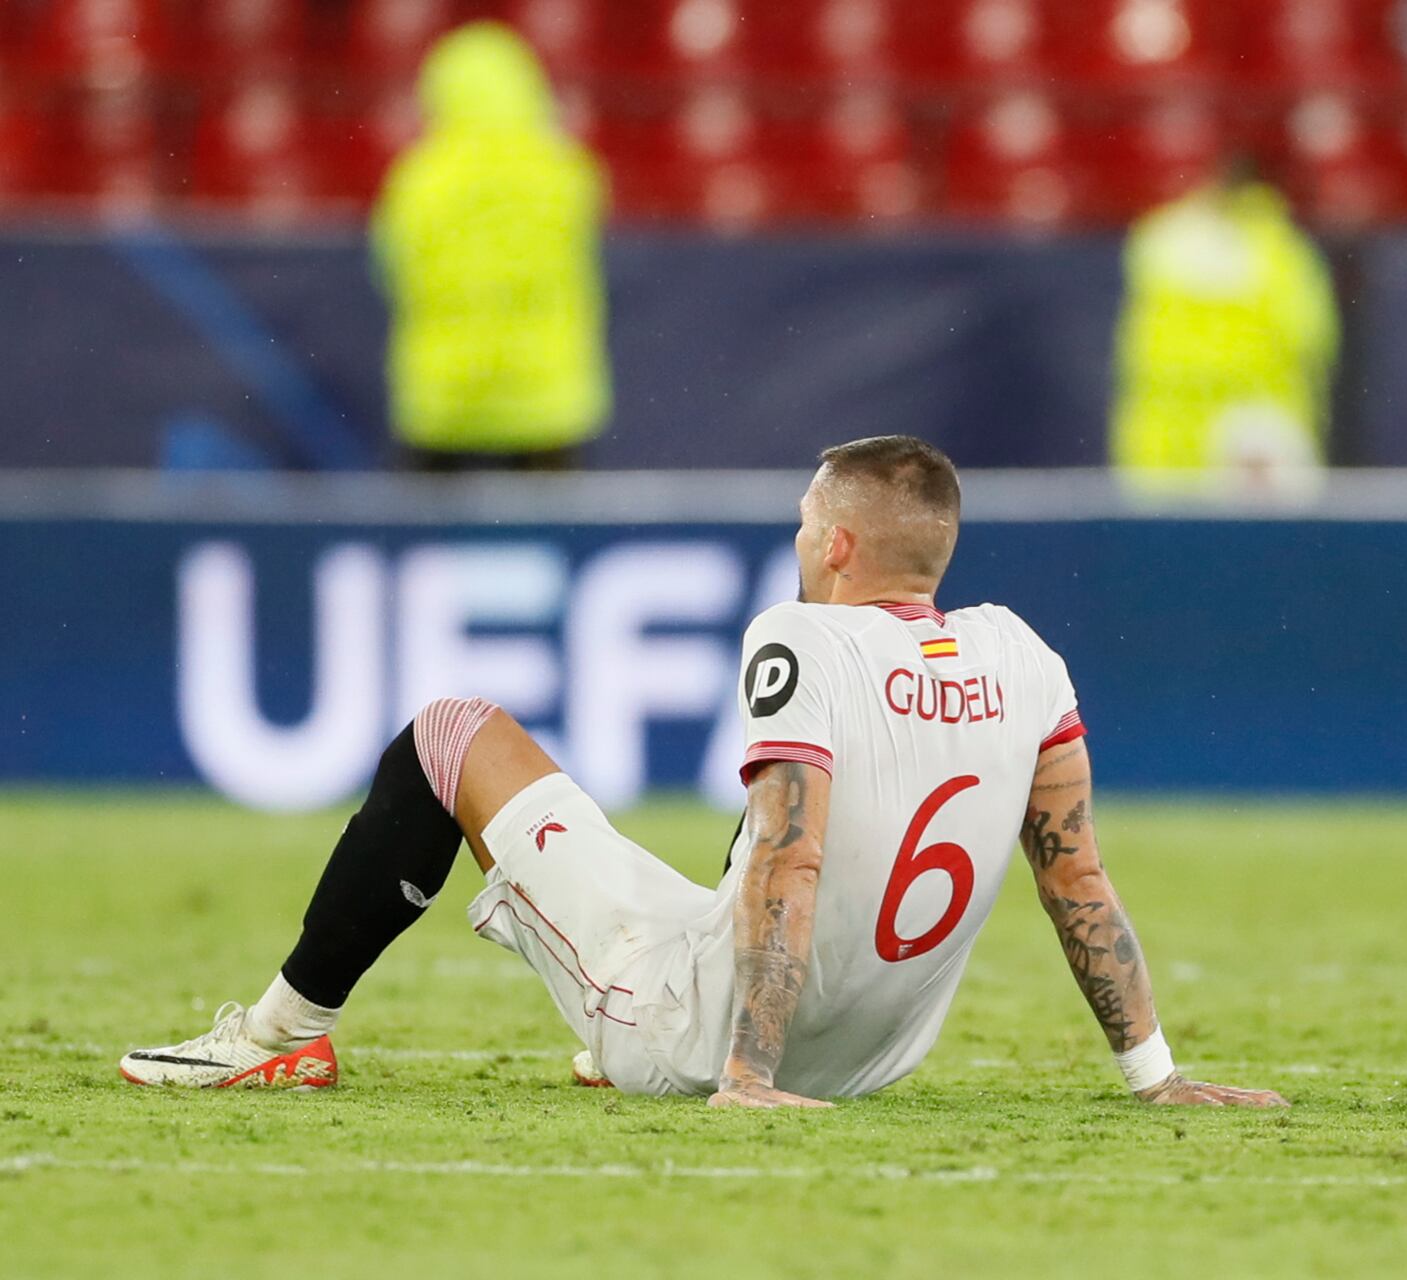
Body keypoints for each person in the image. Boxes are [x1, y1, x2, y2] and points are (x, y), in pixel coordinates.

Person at [120, 437, 1284, 1111]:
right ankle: (669, 1032)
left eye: (801, 520)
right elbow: (1070, 868)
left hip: (715, 1029)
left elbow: (792, 849)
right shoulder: (1023, 651)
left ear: (834, 544)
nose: (795, 536)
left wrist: (741, 1073)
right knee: (730, 855)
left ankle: (276, 1033)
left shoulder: (799, 635)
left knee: (450, 728)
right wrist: (1153, 1074)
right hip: (874, 1058)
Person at [373, 22, 610, 472]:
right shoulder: (565, 170)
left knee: (430, 540)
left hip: (443, 398)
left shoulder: (418, 179)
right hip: (546, 396)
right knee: (551, 537)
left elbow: (390, 269)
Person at [1108, 152, 1340, 493]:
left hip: (1216, 436)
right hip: (1238, 428)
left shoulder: (1157, 239)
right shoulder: (1284, 251)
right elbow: (1314, 338)